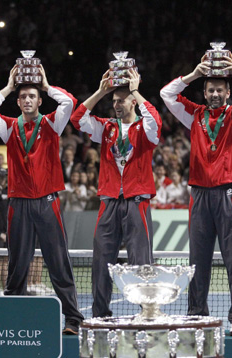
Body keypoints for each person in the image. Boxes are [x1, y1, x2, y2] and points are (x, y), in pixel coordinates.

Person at [160, 52, 232, 336]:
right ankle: (196, 314)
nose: (215, 94)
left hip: (229, 194)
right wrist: (194, 74)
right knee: (198, 260)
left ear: (228, 92)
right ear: (204, 93)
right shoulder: (193, 115)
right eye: (210, 90)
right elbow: (166, 93)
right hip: (199, 196)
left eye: (220, 89)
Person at [0, 65, 84, 335]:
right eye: (23, 97)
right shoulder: (9, 128)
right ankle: (12, 313)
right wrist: (8, 87)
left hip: (47, 201)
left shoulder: (52, 123)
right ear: (18, 102)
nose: (28, 100)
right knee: (17, 262)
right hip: (18, 203)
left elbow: (70, 101)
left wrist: (45, 84)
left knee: (58, 261)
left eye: (33, 96)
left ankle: (72, 318)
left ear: (39, 100)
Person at [70, 69, 161, 317]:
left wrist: (135, 91)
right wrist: (102, 91)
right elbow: (77, 119)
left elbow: (156, 120)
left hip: (136, 200)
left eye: (120, 100)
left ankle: (147, 313)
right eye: (114, 101)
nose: (115, 104)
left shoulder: (144, 129)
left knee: (141, 261)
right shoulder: (107, 128)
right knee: (101, 261)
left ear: (133, 101)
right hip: (109, 200)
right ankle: (100, 314)